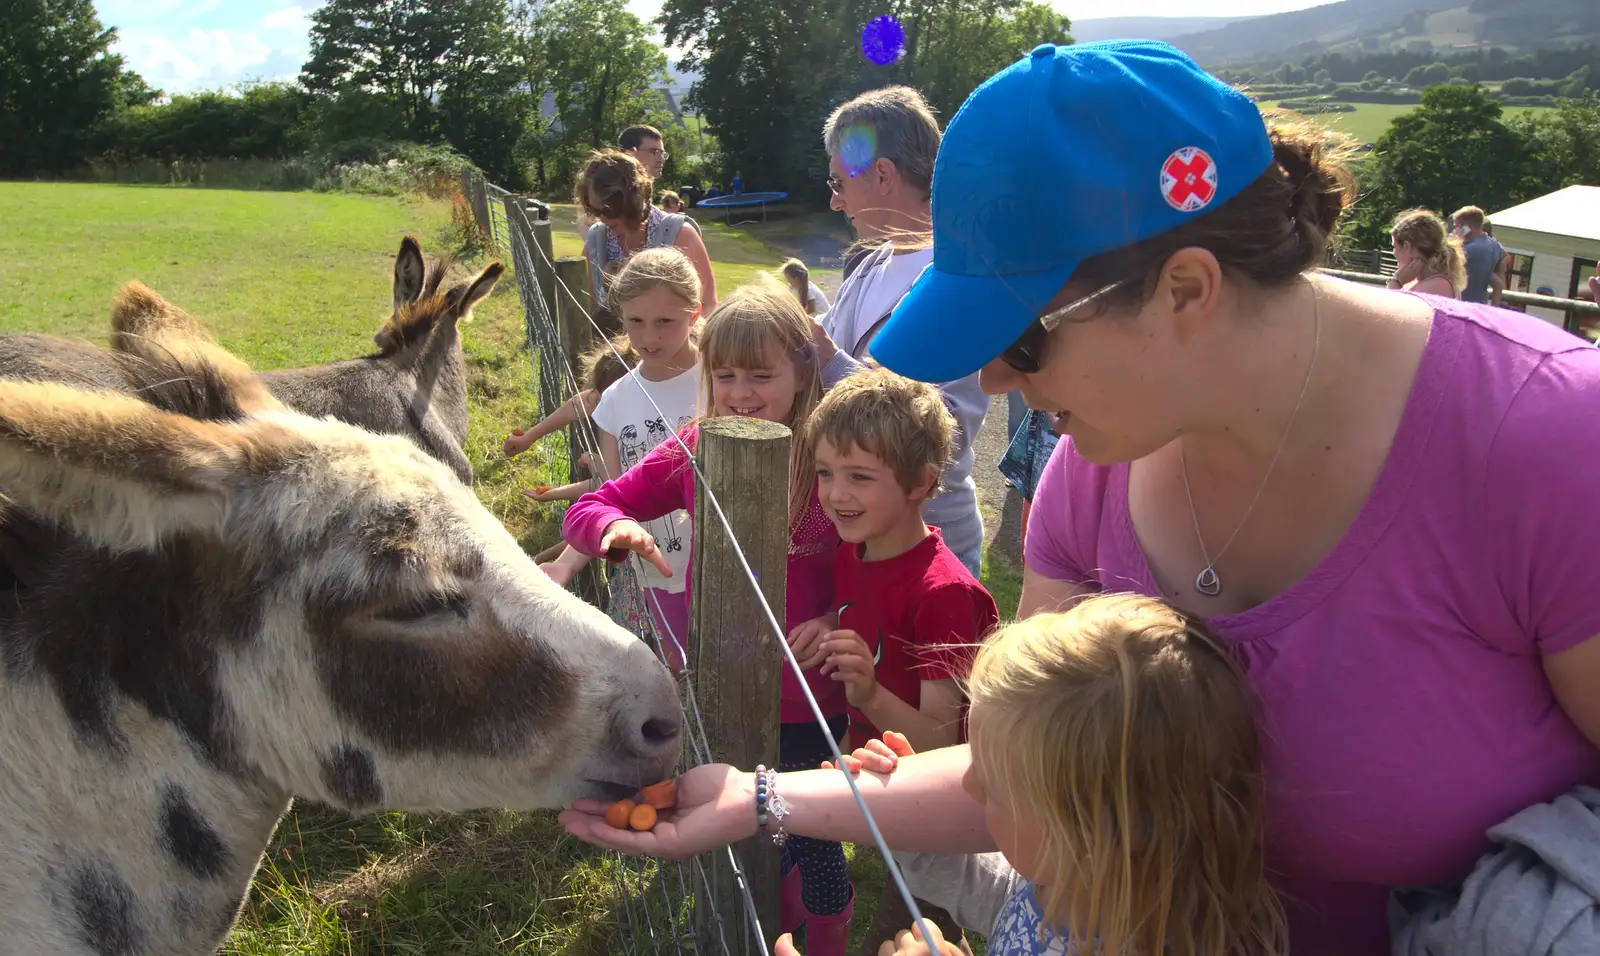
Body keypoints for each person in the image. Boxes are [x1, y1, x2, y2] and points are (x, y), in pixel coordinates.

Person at [561, 39, 1600, 956]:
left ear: (1186, 290)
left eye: (1019, 338)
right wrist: (762, 796)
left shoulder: (1548, 444)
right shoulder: (1092, 469)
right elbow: (1018, 775)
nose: (1001, 383)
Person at [562, 278, 858, 946]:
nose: (743, 394)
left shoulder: (836, 456)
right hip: (723, 689)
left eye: (762, 374)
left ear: (802, 370)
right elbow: (589, 505)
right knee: (750, 823)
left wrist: (843, 617)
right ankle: (759, 923)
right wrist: (614, 530)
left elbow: (879, 559)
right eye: (725, 375)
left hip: (813, 698)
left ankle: (824, 934)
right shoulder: (699, 446)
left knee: (813, 834)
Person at [810, 86, 990, 580]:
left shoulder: (958, 277)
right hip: (863, 540)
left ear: (884, 174)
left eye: (839, 182)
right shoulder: (870, 264)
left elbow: (945, 429)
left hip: (929, 552)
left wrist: (827, 360)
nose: (834, 201)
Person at [534, 249, 702, 645]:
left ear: (693, 315)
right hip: (646, 579)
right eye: (636, 321)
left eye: (665, 321)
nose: (648, 337)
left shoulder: (720, 379)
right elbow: (607, 499)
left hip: (715, 575)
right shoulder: (615, 401)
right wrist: (565, 566)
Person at [577, 150, 717, 323]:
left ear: (633, 200)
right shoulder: (597, 239)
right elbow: (585, 305)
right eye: (595, 210)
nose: (603, 219)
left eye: (608, 210)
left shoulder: (679, 235)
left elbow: (707, 305)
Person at [502, 334, 635, 461]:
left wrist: (593, 464)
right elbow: (582, 403)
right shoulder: (611, 397)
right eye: (598, 399)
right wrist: (529, 436)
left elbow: (613, 479)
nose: (600, 404)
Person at [1387, 208, 1464, 297]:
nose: (1394, 253)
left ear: (1406, 246)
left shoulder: (1436, 286)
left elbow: (1389, 310)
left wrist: (1395, 282)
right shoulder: (1423, 281)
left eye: (1394, 247)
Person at [1451, 205, 1506, 304]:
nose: (1454, 231)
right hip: (1480, 303)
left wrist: (1454, 242)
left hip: (1461, 304)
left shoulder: (1466, 250)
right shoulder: (1495, 246)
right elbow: (1497, 277)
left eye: (1456, 226)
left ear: (1468, 227)